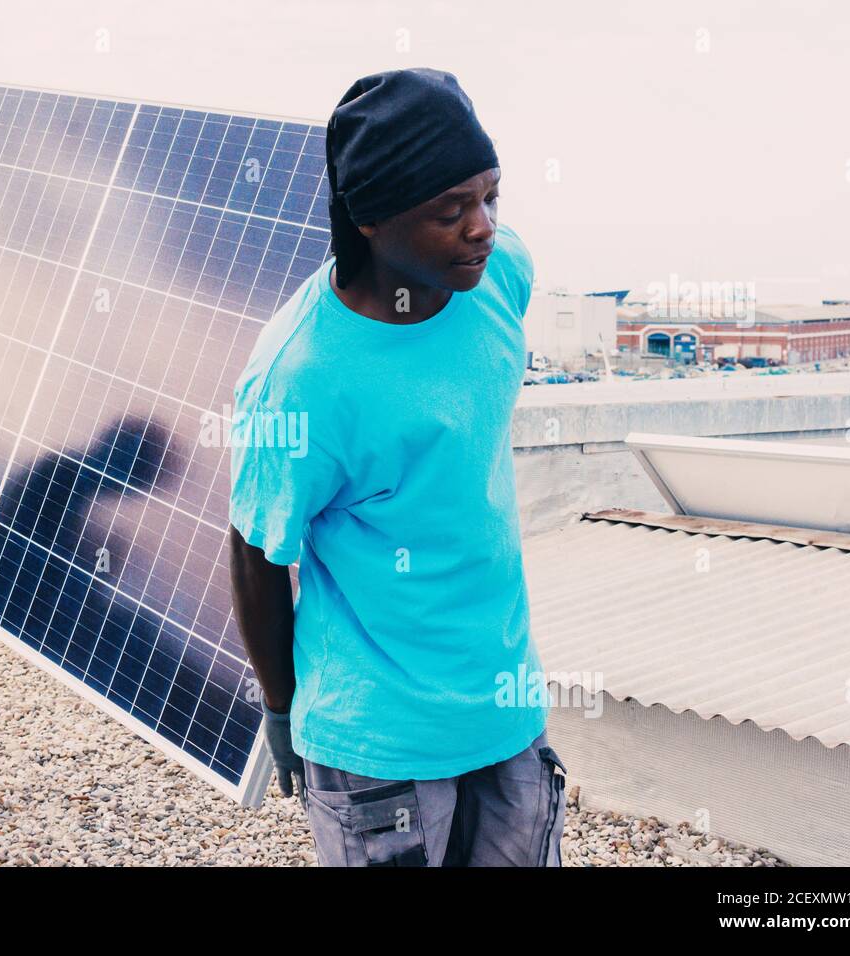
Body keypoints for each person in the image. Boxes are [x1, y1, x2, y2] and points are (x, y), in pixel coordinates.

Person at [227, 68, 567, 866]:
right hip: (377, 737)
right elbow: (254, 551)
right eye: (451, 212)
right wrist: (282, 710)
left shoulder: (497, 275)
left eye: (491, 197)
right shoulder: (302, 380)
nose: (482, 227)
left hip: (504, 706)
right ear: (372, 221)